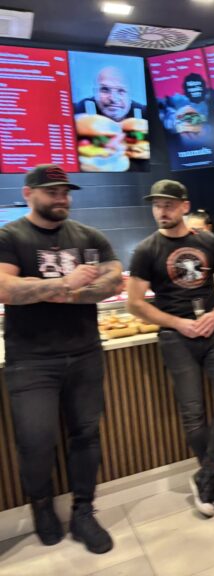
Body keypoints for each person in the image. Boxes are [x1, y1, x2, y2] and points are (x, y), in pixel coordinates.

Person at [0, 165, 124, 554]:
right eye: (52, 191)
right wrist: (66, 283)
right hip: (30, 360)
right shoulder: (10, 236)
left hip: (85, 352)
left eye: (65, 192)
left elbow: (114, 280)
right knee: (36, 441)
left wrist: (47, 291)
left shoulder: (89, 236)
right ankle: (41, 506)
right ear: (29, 193)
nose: (61, 198)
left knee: (86, 435)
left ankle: (84, 510)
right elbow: (4, 288)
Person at [127, 180, 214, 518]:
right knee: (192, 412)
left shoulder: (209, 241)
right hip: (175, 338)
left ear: (184, 206)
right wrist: (177, 323)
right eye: (157, 205)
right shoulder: (146, 250)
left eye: (168, 204)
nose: (162, 210)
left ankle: (208, 473)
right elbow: (135, 303)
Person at [74, 66, 146, 123]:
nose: (113, 99)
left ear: (130, 96)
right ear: (95, 93)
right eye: (105, 89)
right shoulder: (79, 109)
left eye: (121, 91)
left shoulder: (145, 113)